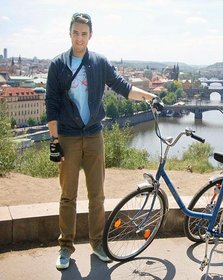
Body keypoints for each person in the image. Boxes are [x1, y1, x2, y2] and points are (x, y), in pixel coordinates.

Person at [45, 12, 158, 270]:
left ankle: (97, 244)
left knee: (97, 196)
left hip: (94, 135)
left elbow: (122, 86)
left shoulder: (98, 63)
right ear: (69, 33)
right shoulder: (58, 65)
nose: (80, 38)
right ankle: (65, 247)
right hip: (69, 137)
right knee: (67, 196)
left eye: (84, 33)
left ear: (90, 35)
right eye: (76, 32)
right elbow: (50, 105)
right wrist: (55, 141)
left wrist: (150, 97)